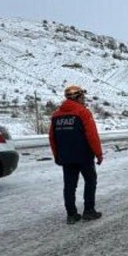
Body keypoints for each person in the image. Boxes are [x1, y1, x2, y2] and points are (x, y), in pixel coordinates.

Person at [49, 85, 104, 225]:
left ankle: (71, 215)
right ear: (78, 97)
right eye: (82, 97)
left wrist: (57, 156)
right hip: (84, 156)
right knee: (90, 181)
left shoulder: (56, 116)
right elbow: (92, 135)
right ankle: (89, 211)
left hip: (66, 157)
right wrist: (98, 154)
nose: (84, 99)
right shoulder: (83, 112)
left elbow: (52, 138)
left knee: (69, 185)